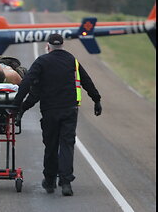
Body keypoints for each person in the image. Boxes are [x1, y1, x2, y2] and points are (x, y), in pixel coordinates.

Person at [13, 33, 102, 196]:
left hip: (50, 111)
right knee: (67, 145)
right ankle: (66, 183)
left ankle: (50, 181)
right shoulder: (72, 60)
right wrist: (96, 99)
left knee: (51, 146)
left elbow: (29, 85)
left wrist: (18, 105)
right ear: (62, 45)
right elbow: (86, 81)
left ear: (48, 46)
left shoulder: (42, 62)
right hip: (69, 109)